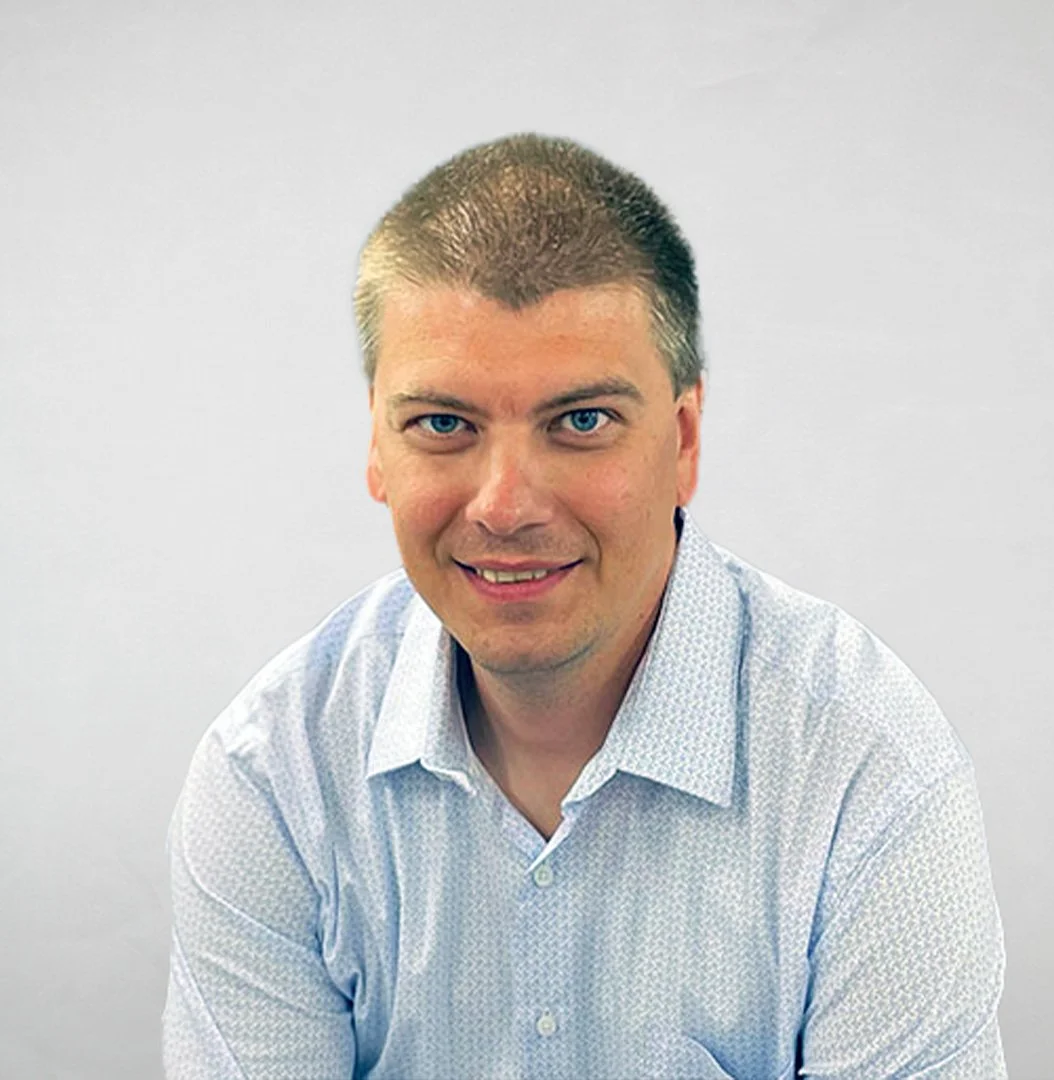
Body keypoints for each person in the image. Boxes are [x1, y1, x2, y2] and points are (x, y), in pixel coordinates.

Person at [162, 133, 1008, 1079]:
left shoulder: (868, 773)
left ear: (683, 441)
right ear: (377, 449)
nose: (506, 506)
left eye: (581, 422)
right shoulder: (275, 776)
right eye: (444, 425)